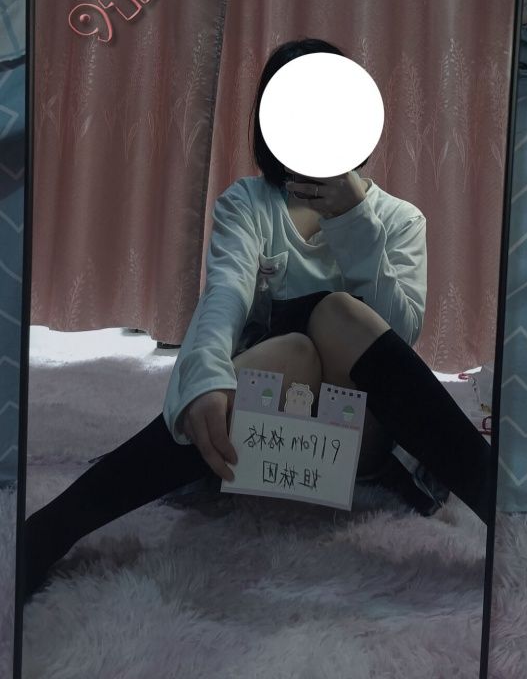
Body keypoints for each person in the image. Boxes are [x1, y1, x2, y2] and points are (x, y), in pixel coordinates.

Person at [23, 38, 492, 601]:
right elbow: (223, 295)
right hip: (268, 426)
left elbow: (401, 334)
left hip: (359, 438)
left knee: (337, 313)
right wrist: (204, 380)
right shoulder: (247, 202)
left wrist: (354, 220)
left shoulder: (398, 219)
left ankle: (498, 500)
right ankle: (52, 530)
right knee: (292, 350)